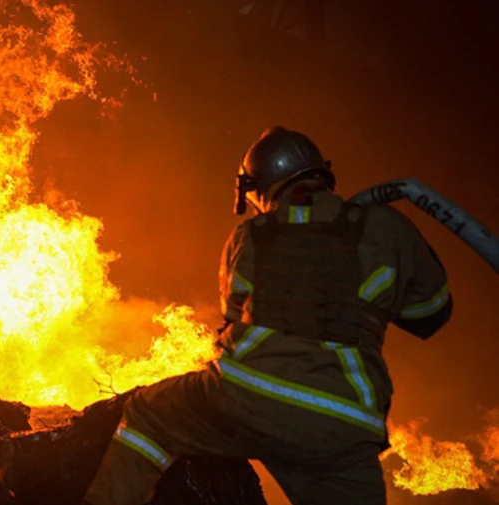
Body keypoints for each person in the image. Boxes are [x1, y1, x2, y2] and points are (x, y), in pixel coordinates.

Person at [83, 126, 453, 505]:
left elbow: (232, 322)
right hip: (343, 424)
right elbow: (431, 313)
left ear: (256, 187)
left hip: (248, 399)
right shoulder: (388, 227)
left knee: (148, 415)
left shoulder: (249, 236)